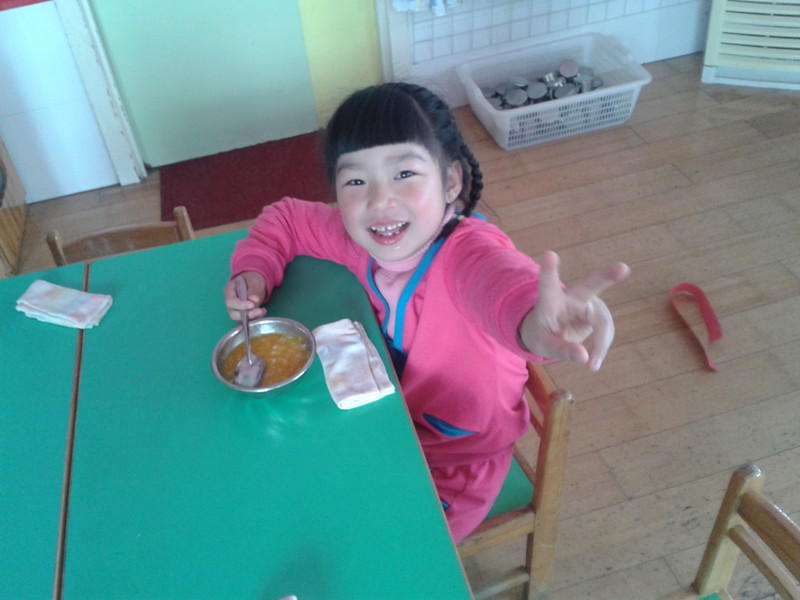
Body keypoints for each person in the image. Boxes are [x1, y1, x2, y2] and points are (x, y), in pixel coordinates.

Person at [224, 82, 629, 543]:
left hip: (454, 469)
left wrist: (535, 321)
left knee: (380, 551)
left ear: (451, 181)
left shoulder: (466, 256)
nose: (379, 201)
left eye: (404, 174)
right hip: (389, 432)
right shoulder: (360, 239)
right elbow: (286, 218)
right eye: (355, 181)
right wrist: (255, 270)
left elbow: (501, 283)